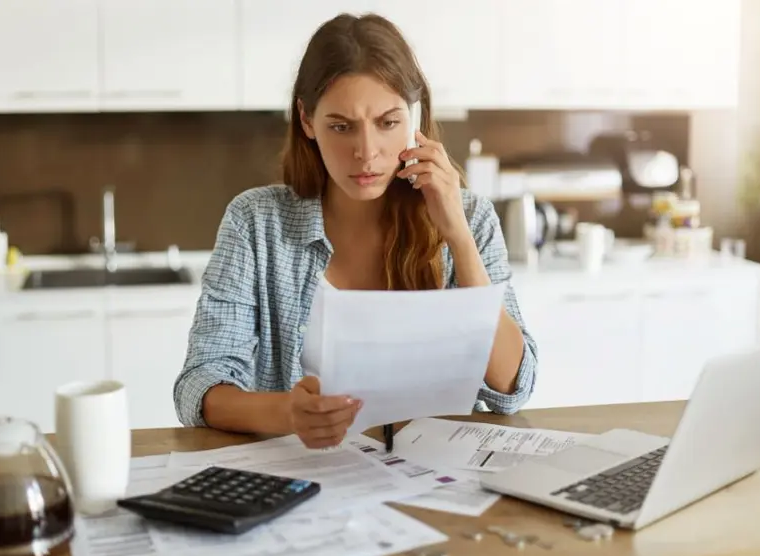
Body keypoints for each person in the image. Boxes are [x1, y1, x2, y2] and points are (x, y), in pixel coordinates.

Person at [173, 13, 538, 449]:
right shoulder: (255, 222)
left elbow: (512, 386)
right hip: (304, 479)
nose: (366, 152)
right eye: (341, 127)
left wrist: (457, 235)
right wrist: (288, 412)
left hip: (433, 478)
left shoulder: (471, 217)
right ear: (307, 121)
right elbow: (200, 383)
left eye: (387, 122)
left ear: (414, 115)